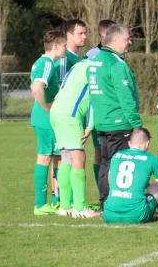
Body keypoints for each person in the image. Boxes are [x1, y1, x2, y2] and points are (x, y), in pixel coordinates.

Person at [88, 23, 142, 210]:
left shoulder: (95, 60)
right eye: (127, 38)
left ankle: (105, 203)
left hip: (102, 123)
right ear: (117, 40)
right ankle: (116, 204)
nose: (130, 42)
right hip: (119, 124)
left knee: (106, 164)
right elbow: (126, 98)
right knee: (119, 165)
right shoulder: (117, 64)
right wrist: (137, 125)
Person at [50, 59, 100, 218]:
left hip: (57, 111)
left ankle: (65, 206)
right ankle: (79, 207)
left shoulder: (78, 65)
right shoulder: (95, 70)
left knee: (66, 158)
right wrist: (89, 126)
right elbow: (94, 100)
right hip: (70, 116)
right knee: (79, 157)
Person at [103, 128, 158, 224]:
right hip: (136, 215)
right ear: (147, 144)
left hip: (109, 214)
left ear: (130, 143)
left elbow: (110, 180)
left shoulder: (116, 155)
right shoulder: (152, 159)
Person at [30, 30, 67, 215]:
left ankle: (57, 200)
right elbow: (36, 87)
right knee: (45, 157)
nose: (66, 49)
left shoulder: (43, 62)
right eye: (64, 46)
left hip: (46, 118)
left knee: (57, 157)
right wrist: (47, 108)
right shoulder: (46, 63)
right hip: (45, 119)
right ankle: (40, 205)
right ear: (55, 46)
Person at [83, 19, 116, 187]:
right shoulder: (91, 55)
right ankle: (102, 189)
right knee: (101, 153)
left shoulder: (116, 54)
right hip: (97, 111)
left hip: (113, 112)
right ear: (103, 34)